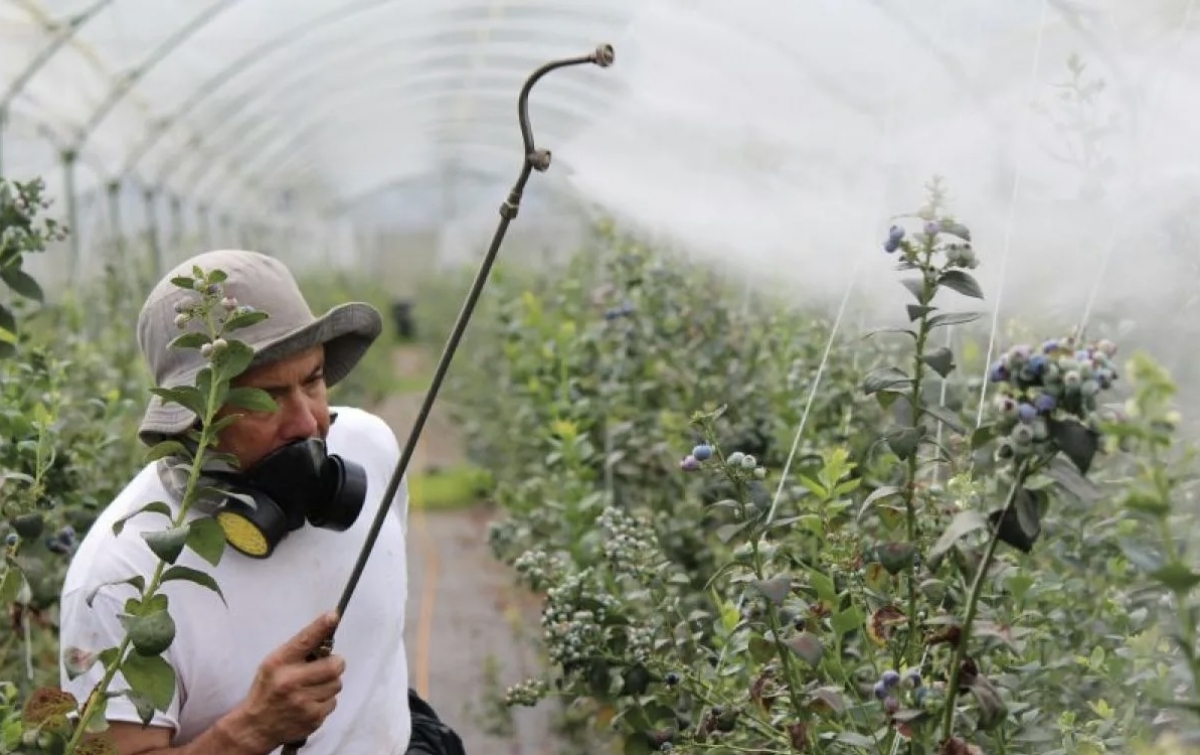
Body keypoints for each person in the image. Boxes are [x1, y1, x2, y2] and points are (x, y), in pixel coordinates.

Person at [56, 249, 414, 754]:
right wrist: (248, 730)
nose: (310, 423)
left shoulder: (371, 449)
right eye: (265, 398)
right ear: (193, 416)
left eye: (312, 380)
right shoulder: (121, 579)